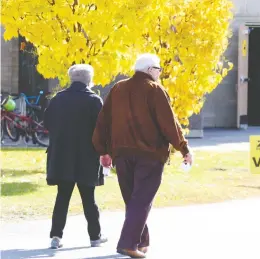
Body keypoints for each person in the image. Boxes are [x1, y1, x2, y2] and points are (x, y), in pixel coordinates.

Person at [92, 53, 193, 258]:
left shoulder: (118, 88)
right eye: (158, 70)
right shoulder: (155, 90)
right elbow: (168, 124)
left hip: (121, 153)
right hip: (149, 154)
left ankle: (141, 241)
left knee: (134, 199)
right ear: (149, 70)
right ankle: (128, 244)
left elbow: (103, 121)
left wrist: (102, 150)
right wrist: (184, 148)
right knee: (141, 199)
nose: (159, 73)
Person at [44, 64, 108, 249]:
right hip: (86, 156)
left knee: (62, 197)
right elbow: (102, 129)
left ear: (71, 79)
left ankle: (56, 236)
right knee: (89, 198)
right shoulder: (94, 100)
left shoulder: (58, 98)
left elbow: (47, 122)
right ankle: (95, 237)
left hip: (63, 155)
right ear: (89, 80)